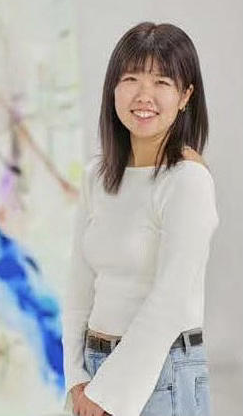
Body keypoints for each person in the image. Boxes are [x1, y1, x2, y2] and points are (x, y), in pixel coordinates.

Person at [62, 21, 220, 416]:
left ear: (185, 96)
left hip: (163, 373)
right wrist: (76, 378)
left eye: (162, 82)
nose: (143, 95)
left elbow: (168, 302)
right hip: (93, 370)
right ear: (113, 89)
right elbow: (79, 286)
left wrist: (106, 394)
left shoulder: (187, 180)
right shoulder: (96, 177)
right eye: (130, 78)